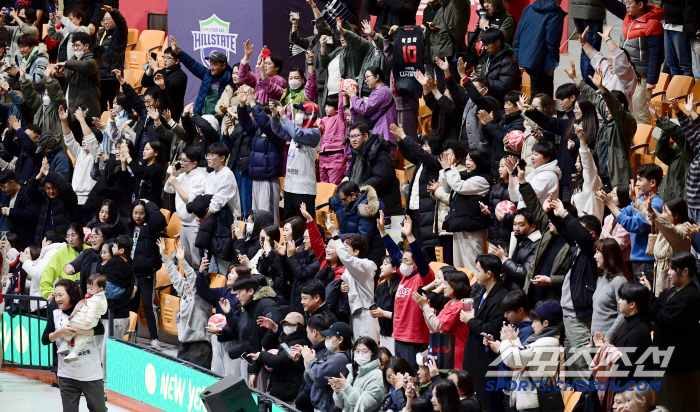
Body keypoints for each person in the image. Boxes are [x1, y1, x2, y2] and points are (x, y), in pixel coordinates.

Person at [379, 211, 435, 369]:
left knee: (411, 376)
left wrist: (410, 236)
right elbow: (394, 252)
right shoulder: (404, 276)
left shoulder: (424, 278)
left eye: (406, 260)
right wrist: (383, 231)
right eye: (402, 260)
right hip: (399, 335)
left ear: (415, 263)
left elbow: (419, 257)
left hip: (414, 339)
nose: (401, 263)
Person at [41, 279, 106, 412]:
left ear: (71, 294)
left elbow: (100, 330)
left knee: (98, 409)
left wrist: (79, 331)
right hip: (66, 374)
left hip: (90, 373)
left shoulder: (85, 307)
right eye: (56, 295)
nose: (57, 299)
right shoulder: (55, 313)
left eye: (61, 295)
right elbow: (45, 339)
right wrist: (60, 331)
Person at [567, 65, 635, 190]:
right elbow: (594, 97)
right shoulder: (607, 119)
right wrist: (575, 78)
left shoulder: (627, 122)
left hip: (615, 177)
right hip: (600, 173)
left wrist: (603, 88)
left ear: (621, 105)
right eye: (605, 105)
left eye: (609, 105)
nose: (606, 109)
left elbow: (616, 109)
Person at [647, 252, 700, 411]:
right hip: (663, 356)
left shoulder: (691, 295)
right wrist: (654, 299)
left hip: (678, 364)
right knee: (661, 401)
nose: (668, 272)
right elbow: (657, 309)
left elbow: (662, 318)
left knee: (674, 404)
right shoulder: (672, 290)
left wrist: (651, 297)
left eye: (671, 269)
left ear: (685, 271)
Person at [598, 0, 663, 125]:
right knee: (626, 114)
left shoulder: (653, 24)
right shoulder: (628, 17)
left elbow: (656, 55)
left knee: (640, 115)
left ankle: (643, 143)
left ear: (640, 5)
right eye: (626, 3)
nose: (626, 6)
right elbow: (614, 5)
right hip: (626, 76)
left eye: (629, 3)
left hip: (641, 78)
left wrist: (651, 80)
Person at [598, 164, 664, 281]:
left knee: (645, 298)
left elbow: (632, 225)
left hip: (647, 262)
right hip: (637, 260)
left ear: (652, 183)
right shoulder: (639, 201)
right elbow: (623, 212)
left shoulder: (655, 204)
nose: (637, 184)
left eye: (640, 180)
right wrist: (608, 202)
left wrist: (610, 204)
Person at [461, 254, 509, 412]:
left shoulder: (501, 297)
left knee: (486, 403)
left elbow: (491, 330)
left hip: (487, 360)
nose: (475, 274)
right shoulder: (482, 291)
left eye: (478, 270)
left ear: (489, 273)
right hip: (474, 354)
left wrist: (470, 320)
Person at [499, 300, 564, 411]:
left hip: (535, 404)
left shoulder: (546, 343)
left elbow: (512, 359)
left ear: (546, 323)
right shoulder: (545, 340)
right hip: (532, 401)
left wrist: (505, 341)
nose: (532, 325)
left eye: (535, 321)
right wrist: (514, 340)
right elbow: (522, 361)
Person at [157, 239, 213, 369]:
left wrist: (183, 261)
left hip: (199, 346)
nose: (187, 282)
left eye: (190, 280)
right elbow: (175, 277)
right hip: (183, 345)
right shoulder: (185, 293)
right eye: (186, 280)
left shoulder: (202, 297)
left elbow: (194, 281)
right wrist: (164, 256)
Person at [226, 275, 285, 389]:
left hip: (271, 363)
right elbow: (249, 338)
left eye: (239, 292)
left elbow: (276, 328)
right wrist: (229, 314)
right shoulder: (248, 308)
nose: (237, 296)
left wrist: (263, 349)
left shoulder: (267, 304)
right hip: (258, 360)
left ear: (251, 291)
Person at [439, 146, 492, 273]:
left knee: (472, 265)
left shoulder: (483, 180)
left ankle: (475, 292)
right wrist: (446, 169)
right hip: (459, 225)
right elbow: (447, 188)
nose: (467, 163)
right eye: (467, 159)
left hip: (472, 229)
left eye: (472, 160)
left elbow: (459, 186)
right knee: (459, 266)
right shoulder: (464, 175)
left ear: (480, 161)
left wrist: (449, 170)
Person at [327, 218, 380, 342]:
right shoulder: (347, 269)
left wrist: (335, 235)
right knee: (356, 354)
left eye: (346, 247)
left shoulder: (366, 265)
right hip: (352, 313)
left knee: (367, 352)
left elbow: (346, 258)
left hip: (366, 314)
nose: (342, 250)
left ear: (356, 252)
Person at [391, 124, 441, 253]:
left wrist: (405, 137)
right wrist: (400, 140)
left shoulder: (436, 161)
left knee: (429, 252)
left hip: (427, 213)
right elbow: (408, 153)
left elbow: (420, 153)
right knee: (416, 249)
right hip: (414, 212)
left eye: (426, 145)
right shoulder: (421, 162)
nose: (423, 148)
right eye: (422, 145)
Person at [125, 199, 167, 351]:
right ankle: (131, 336)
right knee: (132, 305)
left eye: (141, 213)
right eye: (135, 213)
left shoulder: (151, 226)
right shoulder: (128, 227)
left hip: (146, 272)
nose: (137, 216)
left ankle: (154, 339)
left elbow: (161, 220)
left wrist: (150, 204)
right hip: (130, 272)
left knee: (149, 305)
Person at [415, 269, 470, 368]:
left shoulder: (462, 304)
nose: (443, 287)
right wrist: (424, 308)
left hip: (457, 354)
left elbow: (437, 326)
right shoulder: (450, 302)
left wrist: (425, 307)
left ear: (456, 286)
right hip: (445, 350)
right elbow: (433, 327)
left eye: (446, 284)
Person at [196, 261, 243, 378]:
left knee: (231, 378)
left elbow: (237, 326)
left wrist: (221, 329)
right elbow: (203, 291)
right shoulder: (222, 292)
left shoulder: (242, 300)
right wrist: (201, 272)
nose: (229, 275)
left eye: (233, 273)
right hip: (219, 341)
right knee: (216, 375)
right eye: (229, 272)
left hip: (233, 343)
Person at [343, 121, 401, 216]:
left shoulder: (378, 152)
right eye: (351, 137)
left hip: (381, 205)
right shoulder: (357, 151)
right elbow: (353, 171)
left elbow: (382, 177)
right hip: (362, 199)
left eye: (356, 136)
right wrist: (346, 177)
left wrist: (359, 189)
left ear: (365, 136)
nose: (353, 140)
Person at [253, 312, 311, 403]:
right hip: (280, 388)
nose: (286, 326)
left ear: (299, 326)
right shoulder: (286, 339)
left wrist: (260, 355)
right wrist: (274, 328)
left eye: (290, 324)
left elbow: (278, 361)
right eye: (284, 324)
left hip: (288, 392)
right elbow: (265, 343)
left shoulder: (299, 343)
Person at [163, 146, 207, 267]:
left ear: (194, 163)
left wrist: (177, 184)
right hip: (184, 223)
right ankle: (189, 284)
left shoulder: (200, 177)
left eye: (184, 161)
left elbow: (190, 201)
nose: (181, 163)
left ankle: (198, 284)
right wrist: (173, 174)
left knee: (196, 261)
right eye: (180, 160)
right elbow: (167, 188)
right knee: (186, 260)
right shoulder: (183, 175)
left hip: (194, 224)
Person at [512, 0, 566, 97]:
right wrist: (552, 63)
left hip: (526, 59)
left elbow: (518, 35)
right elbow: (552, 41)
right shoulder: (555, 13)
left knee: (537, 93)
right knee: (543, 98)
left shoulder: (528, 8)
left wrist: (518, 58)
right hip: (542, 62)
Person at [579, 25, 638, 113]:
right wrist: (583, 43)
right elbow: (596, 57)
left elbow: (620, 58)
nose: (609, 63)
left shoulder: (627, 76)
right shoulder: (609, 73)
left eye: (612, 61)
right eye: (609, 60)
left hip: (620, 116)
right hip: (605, 114)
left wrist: (607, 39)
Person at [168, 35, 232, 116]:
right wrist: (178, 52)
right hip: (199, 118)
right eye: (210, 64)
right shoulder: (207, 74)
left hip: (217, 121)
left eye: (214, 64)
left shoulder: (230, 79)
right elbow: (192, 64)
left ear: (224, 66)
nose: (211, 67)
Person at [330, 181, 385, 265]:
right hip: (358, 253)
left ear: (353, 195)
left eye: (344, 199)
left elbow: (363, 238)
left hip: (370, 256)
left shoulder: (366, 209)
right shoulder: (352, 204)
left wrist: (337, 236)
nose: (343, 203)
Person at [56, 273, 108, 363]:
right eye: (88, 288)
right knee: (83, 336)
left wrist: (88, 319)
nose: (88, 291)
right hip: (92, 322)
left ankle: (64, 344)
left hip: (83, 320)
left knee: (71, 327)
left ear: (100, 289)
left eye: (91, 289)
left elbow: (92, 310)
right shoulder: (101, 298)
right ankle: (75, 352)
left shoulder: (94, 299)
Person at [305, 321, 353, 412]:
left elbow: (318, 376)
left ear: (340, 339)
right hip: (320, 405)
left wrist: (310, 361)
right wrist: (308, 362)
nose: (327, 339)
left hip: (327, 406)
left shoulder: (340, 358)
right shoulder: (330, 354)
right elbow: (311, 379)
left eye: (330, 337)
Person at [59, 31, 100, 137]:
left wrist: (66, 64)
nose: (75, 48)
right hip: (72, 111)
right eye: (74, 46)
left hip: (86, 113)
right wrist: (58, 76)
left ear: (86, 46)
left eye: (77, 45)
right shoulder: (73, 61)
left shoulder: (93, 59)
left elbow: (86, 66)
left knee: (87, 145)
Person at [651, 97, 693, 202]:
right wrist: (665, 132)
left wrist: (661, 119)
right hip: (668, 197)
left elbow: (680, 136)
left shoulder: (694, 149)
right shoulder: (679, 148)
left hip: (682, 204)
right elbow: (662, 153)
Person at [28, 160, 78, 246]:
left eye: (54, 188)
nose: (51, 191)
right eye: (48, 188)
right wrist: (40, 174)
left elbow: (65, 187)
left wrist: (48, 173)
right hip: (43, 241)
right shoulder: (43, 197)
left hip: (61, 243)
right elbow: (29, 191)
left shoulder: (66, 198)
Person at [346, 67, 396, 149]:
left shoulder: (382, 91)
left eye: (368, 77)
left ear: (377, 77)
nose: (366, 81)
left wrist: (353, 96)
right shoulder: (379, 92)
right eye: (365, 78)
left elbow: (364, 109)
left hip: (383, 137)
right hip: (379, 137)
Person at [330, 336, 384, 412]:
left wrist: (347, 387)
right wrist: (338, 392)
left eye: (365, 351)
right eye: (357, 351)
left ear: (373, 353)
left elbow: (362, 407)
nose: (360, 354)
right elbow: (341, 405)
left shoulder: (377, 376)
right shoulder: (353, 371)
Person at [479, 91, 526, 177]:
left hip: (508, 165)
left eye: (508, 104)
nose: (505, 107)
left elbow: (504, 139)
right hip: (496, 162)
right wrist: (485, 126)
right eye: (505, 104)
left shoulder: (520, 122)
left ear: (518, 107)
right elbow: (492, 139)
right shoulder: (504, 119)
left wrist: (490, 123)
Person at [494, 207, 541, 291]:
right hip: (508, 286)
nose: (516, 228)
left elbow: (525, 274)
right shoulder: (517, 238)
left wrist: (504, 259)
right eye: (514, 224)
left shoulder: (537, 244)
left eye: (521, 225)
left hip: (521, 292)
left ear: (533, 227)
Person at [61, 106, 99, 208]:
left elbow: (91, 141)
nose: (83, 140)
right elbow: (69, 139)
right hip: (74, 198)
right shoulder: (80, 153)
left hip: (90, 199)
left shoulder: (98, 154)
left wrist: (82, 120)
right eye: (82, 138)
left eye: (85, 138)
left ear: (97, 142)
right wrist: (64, 122)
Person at [506, 143, 560, 208]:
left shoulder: (548, 176)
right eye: (532, 153)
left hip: (537, 217)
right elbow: (514, 197)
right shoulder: (535, 172)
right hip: (524, 216)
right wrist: (511, 174)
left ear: (546, 159)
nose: (532, 157)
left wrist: (514, 173)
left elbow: (524, 196)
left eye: (536, 154)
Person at [94, 5, 127, 110]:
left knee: (114, 108)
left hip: (112, 76)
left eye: (108, 19)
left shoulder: (119, 33)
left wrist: (113, 12)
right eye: (104, 20)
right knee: (101, 108)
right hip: (100, 76)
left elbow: (122, 23)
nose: (105, 22)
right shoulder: (100, 33)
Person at [66, 224, 114, 295]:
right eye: (91, 236)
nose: (92, 239)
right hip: (87, 296)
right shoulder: (87, 253)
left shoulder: (112, 254)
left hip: (106, 297)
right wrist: (68, 267)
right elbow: (73, 265)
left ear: (105, 237)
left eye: (96, 237)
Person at [21, 63, 66, 139]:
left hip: (54, 144)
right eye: (45, 93)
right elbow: (30, 96)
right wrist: (23, 78)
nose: (46, 94)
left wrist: (49, 78)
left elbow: (56, 96)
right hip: (39, 144)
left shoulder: (60, 108)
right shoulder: (40, 105)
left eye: (48, 94)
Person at [570, 123, 604, 221]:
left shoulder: (593, 181)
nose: (576, 165)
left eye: (579, 162)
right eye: (576, 161)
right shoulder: (580, 182)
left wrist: (581, 139)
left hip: (590, 231)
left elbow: (588, 163)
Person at [142, 47, 188, 120]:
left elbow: (167, 86)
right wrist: (150, 70)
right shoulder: (162, 71)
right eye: (164, 57)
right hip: (156, 111)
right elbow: (145, 84)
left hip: (171, 114)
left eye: (168, 58)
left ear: (177, 61)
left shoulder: (181, 75)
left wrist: (156, 68)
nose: (165, 60)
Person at [478, 28, 521, 102]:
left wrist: (482, 82)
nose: (485, 48)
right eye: (484, 45)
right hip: (489, 100)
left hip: (504, 104)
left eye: (488, 44)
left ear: (498, 42)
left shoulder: (509, 62)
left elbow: (504, 87)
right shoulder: (487, 59)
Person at [238, 39, 287, 104]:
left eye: (268, 64)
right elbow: (243, 75)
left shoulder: (279, 80)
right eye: (264, 63)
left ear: (277, 67)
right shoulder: (258, 77)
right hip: (255, 111)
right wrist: (247, 56)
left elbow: (264, 84)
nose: (264, 65)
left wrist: (259, 67)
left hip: (269, 112)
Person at [0, 170, 38, 249]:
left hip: (25, 239)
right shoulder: (8, 195)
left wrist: (11, 211)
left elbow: (33, 214)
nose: (3, 190)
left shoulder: (27, 193)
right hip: (11, 238)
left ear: (12, 182)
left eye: (4, 187)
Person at [600, 186, 632, 263]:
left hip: (623, 262)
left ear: (623, 198)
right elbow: (601, 241)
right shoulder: (608, 217)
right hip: (608, 259)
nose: (610, 197)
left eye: (614, 195)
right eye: (611, 193)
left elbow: (618, 245)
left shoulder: (627, 219)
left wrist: (602, 230)